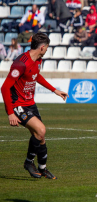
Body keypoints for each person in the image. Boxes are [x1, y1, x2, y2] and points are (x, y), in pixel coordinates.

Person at [0, 33, 68, 179]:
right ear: (42, 47)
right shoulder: (20, 63)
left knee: (40, 136)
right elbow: (5, 88)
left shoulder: (38, 59)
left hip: (30, 104)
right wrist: (10, 113)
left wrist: (54, 90)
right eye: (47, 48)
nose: (46, 50)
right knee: (41, 130)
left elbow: (36, 76)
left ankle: (42, 168)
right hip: (18, 104)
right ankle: (28, 162)